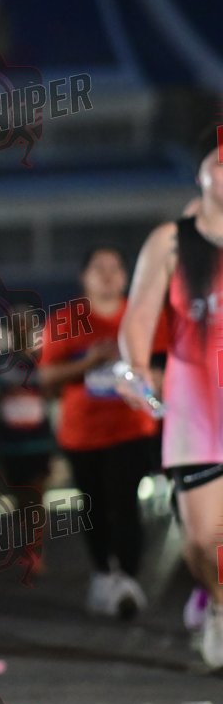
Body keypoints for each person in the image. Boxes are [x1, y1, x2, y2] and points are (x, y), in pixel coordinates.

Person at [118, 128, 223, 669]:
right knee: (203, 541)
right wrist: (136, 369)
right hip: (196, 404)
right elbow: (138, 319)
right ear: (200, 169)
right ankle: (217, 604)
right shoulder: (172, 242)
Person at [39, 247, 163, 619]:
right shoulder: (67, 320)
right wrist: (90, 362)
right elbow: (46, 377)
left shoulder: (144, 317)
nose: (108, 275)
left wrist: (138, 372)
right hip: (82, 434)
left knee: (124, 502)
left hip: (132, 429)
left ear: (126, 276)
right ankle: (103, 574)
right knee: (92, 506)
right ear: (84, 277)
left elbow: (165, 371)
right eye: (99, 268)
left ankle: (127, 578)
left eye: (115, 267)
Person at [0, 304, 55, 573]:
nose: (21, 329)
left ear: (34, 327)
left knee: (37, 494)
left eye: (26, 324)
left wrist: (40, 389)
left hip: (39, 441)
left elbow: (58, 390)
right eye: (16, 324)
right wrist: (0, 393)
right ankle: (27, 544)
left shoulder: (44, 359)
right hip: (10, 444)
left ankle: (35, 551)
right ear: (9, 328)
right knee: (21, 498)